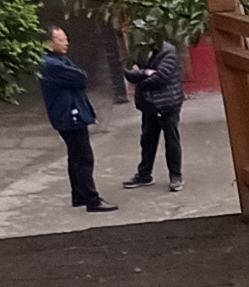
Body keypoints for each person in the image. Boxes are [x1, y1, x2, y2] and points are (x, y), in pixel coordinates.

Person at [41, 25, 110, 212]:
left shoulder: (57, 60)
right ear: (50, 43)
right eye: (61, 40)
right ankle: (92, 199)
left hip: (68, 113)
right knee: (84, 157)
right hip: (69, 115)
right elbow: (81, 77)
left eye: (65, 39)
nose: (66, 43)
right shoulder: (51, 65)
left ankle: (78, 195)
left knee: (75, 156)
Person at [126, 30, 189, 191]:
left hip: (167, 103)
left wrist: (140, 81)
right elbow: (128, 72)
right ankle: (144, 175)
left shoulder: (168, 51)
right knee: (147, 139)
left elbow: (161, 77)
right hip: (149, 104)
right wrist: (145, 73)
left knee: (171, 140)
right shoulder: (140, 52)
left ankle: (176, 176)